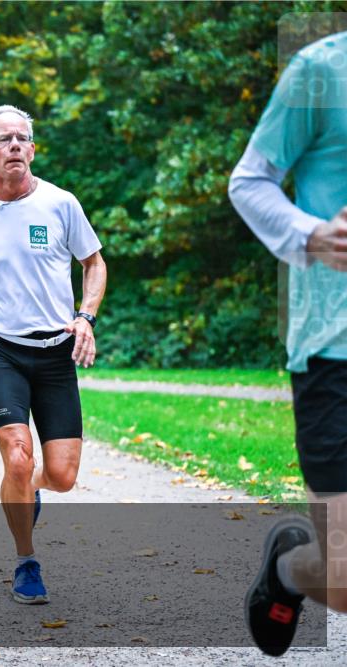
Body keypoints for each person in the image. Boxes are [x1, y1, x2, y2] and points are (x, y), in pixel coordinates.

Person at [0, 105, 106, 604]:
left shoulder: (61, 205)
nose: (15, 145)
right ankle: (26, 560)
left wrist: (86, 316)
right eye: (4, 138)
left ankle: (26, 486)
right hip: (0, 352)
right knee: (17, 455)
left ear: (32, 150)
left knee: (62, 476)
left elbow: (94, 264)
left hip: (55, 353)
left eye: (23, 138)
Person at [228, 29, 347, 657]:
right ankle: (289, 569)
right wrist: (313, 235)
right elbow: (250, 182)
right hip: (335, 349)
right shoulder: (320, 71)